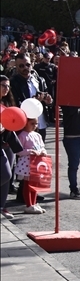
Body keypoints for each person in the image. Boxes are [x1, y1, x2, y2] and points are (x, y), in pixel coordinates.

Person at [10, 54, 52, 141]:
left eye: (28, 65)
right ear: (16, 67)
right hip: (24, 125)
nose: (25, 68)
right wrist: (33, 102)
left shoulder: (39, 80)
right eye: (21, 66)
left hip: (40, 123)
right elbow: (14, 104)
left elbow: (50, 100)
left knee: (40, 151)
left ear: (32, 64)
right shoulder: (13, 83)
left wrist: (48, 100)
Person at [1, 76, 24, 219]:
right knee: (5, 174)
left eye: (8, 86)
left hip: (7, 142)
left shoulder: (7, 102)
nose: (6, 88)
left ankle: (1, 206)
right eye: (3, 85)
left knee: (7, 177)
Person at [14, 116, 47, 214]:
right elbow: (19, 151)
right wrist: (30, 151)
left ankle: (34, 202)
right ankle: (28, 204)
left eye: (36, 123)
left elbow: (42, 146)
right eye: (32, 123)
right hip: (27, 163)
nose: (34, 126)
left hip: (36, 162)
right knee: (28, 184)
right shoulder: (22, 135)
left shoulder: (37, 135)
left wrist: (42, 151)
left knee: (35, 184)